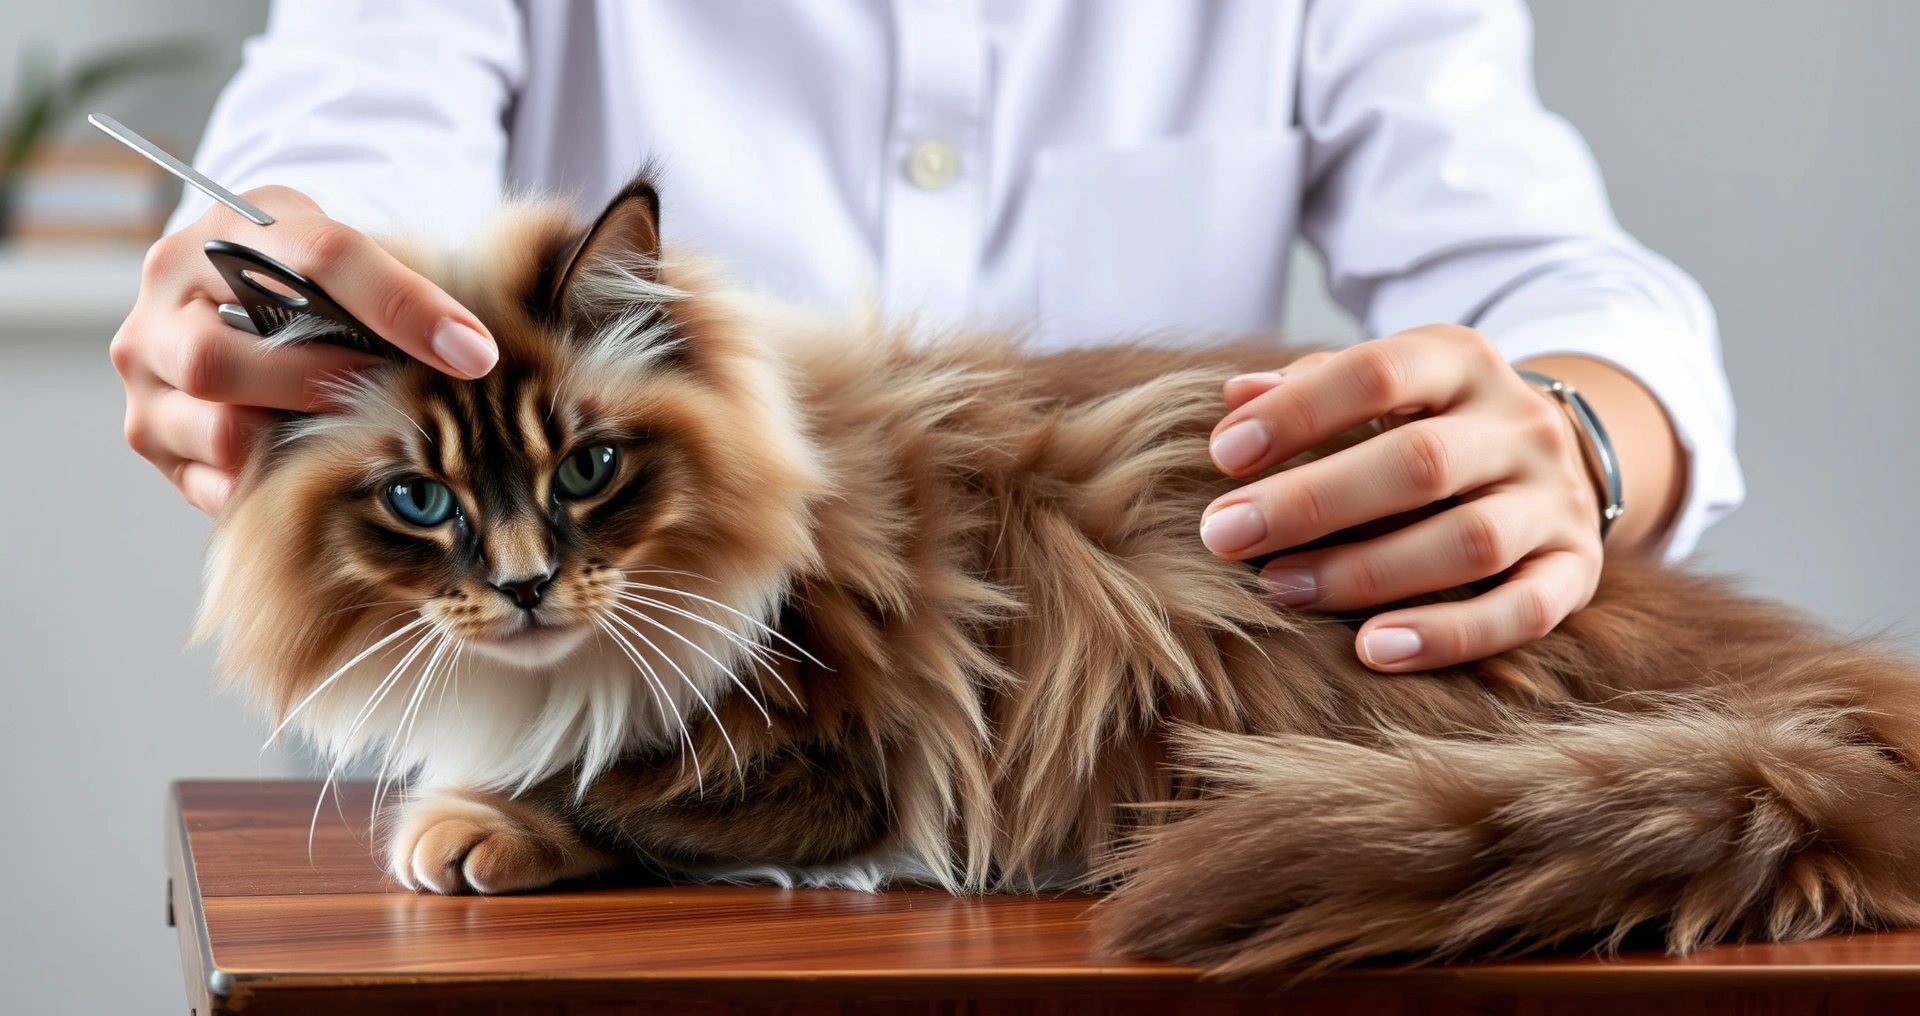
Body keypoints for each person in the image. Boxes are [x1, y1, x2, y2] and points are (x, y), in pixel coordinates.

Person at [110, 0, 1742, 674]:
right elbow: (336, 156)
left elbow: (1558, 278)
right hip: (609, 791)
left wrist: (1581, 435)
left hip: (1129, 816)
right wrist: (266, 291)